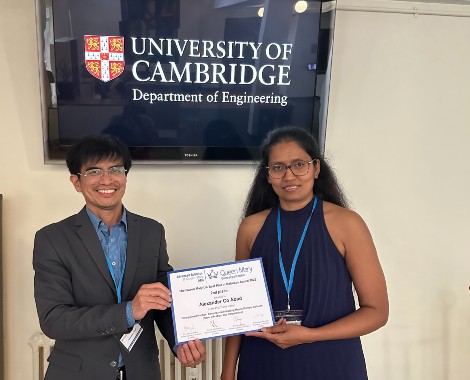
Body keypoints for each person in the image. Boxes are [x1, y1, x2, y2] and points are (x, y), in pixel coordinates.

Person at [221, 126, 388, 380]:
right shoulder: (250, 228)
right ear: (267, 175)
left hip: (331, 362)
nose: (289, 176)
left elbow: (377, 311)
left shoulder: (348, 224)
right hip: (262, 363)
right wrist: (227, 373)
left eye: (299, 164)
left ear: (316, 168)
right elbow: (238, 311)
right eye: (278, 167)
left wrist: (312, 335)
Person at [33, 134, 205, 380]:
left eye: (115, 169)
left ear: (125, 176)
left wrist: (181, 342)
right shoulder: (52, 239)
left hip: (142, 372)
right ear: (76, 182)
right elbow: (54, 319)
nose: (107, 179)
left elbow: (164, 300)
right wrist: (128, 311)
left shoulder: (152, 231)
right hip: (79, 373)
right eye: (94, 171)